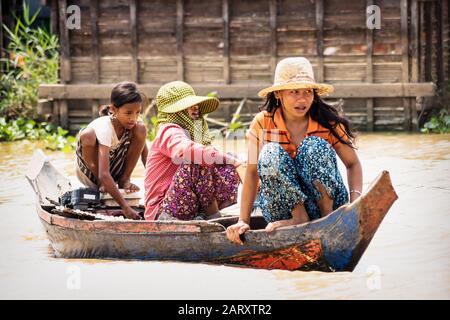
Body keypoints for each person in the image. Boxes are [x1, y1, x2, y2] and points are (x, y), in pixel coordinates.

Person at [226, 57, 363, 245]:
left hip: (329, 206)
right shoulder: (263, 122)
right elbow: (251, 173)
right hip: (285, 211)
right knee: (269, 153)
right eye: (294, 92)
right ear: (279, 94)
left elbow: (352, 163)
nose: (302, 99)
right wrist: (243, 221)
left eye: (308, 92)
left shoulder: (328, 122)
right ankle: (299, 216)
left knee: (313, 146)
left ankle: (327, 216)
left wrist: (355, 202)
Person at [144, 81, 242, 221]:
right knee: (198, 160)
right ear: (177, 111)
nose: (195, 109)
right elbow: (188, 150)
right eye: (189, 106)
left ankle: (205, 214)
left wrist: (233, 162)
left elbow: (208, 154)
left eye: (195, 105)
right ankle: (212, 215)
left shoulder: (193, 132)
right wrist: (234, 162)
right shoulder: (168, 130)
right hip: (163, 210)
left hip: (188, 204)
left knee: (226, 162)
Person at [75, 81, 148, 220]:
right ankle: (105, 185)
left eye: (137, 112)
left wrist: (157, 188)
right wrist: (125, 207)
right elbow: (103, 174)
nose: (133, 117)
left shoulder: (135, 124)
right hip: (93, 174)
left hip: (112, 169)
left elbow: (146, 157)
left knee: (140, 128)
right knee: (88, 135)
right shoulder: (105, 127)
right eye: (128, 113)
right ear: (113, 110)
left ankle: (123, 179)